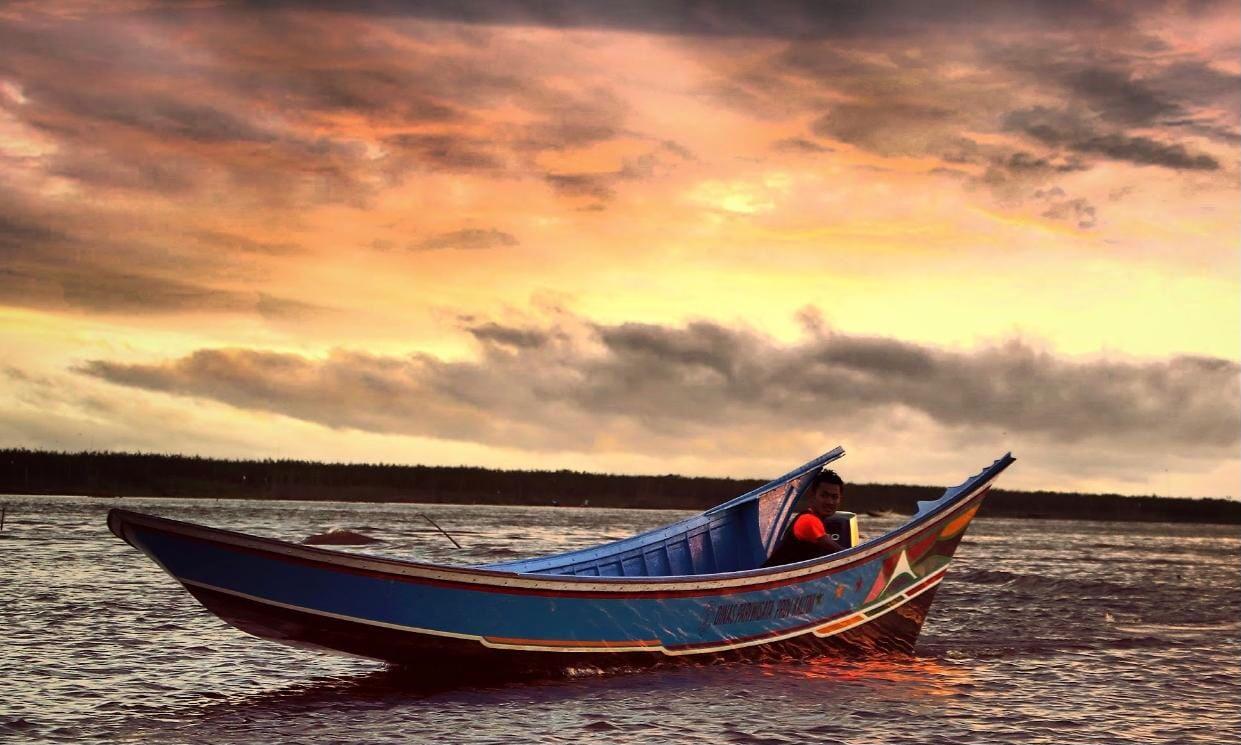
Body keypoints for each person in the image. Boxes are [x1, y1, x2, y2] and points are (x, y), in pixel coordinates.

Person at [762, 469, 845, 566]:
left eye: (834, 497)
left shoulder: (817, 521)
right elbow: (843, 554)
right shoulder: (808, 520)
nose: (829, 502)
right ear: (812, 495)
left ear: (840, 499)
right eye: (824, 495)